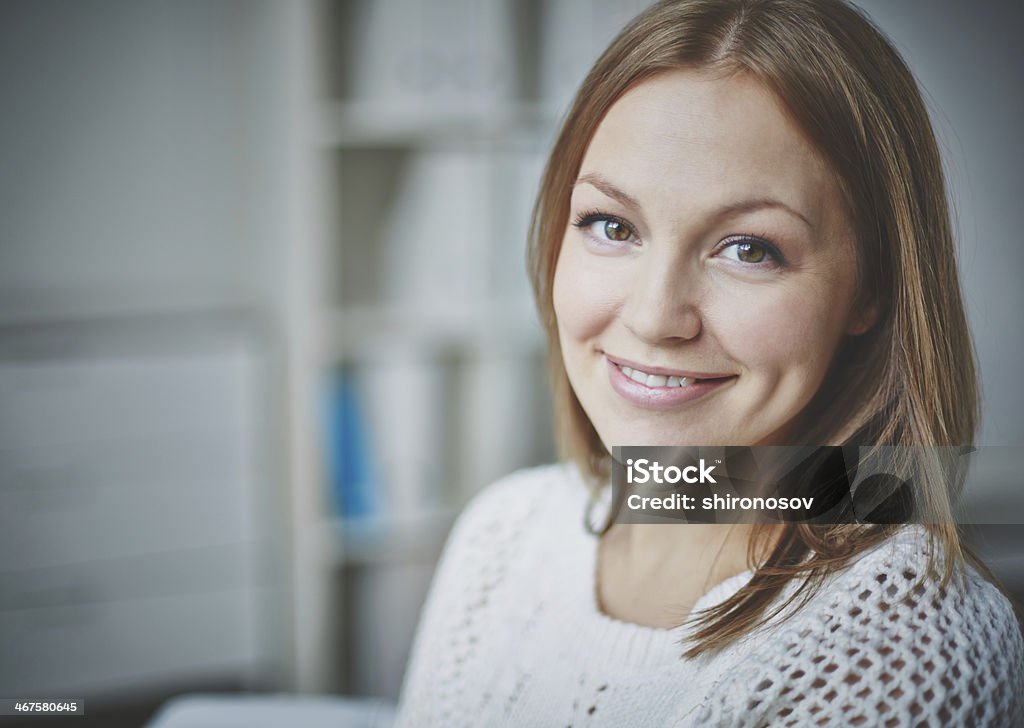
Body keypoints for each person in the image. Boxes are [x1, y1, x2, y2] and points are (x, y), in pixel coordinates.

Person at [394, 0, 1024, 725]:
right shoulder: (503, 533)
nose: (655, 317)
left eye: (749, 248)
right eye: (612, 225)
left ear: (872, 290)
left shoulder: (908, 648)